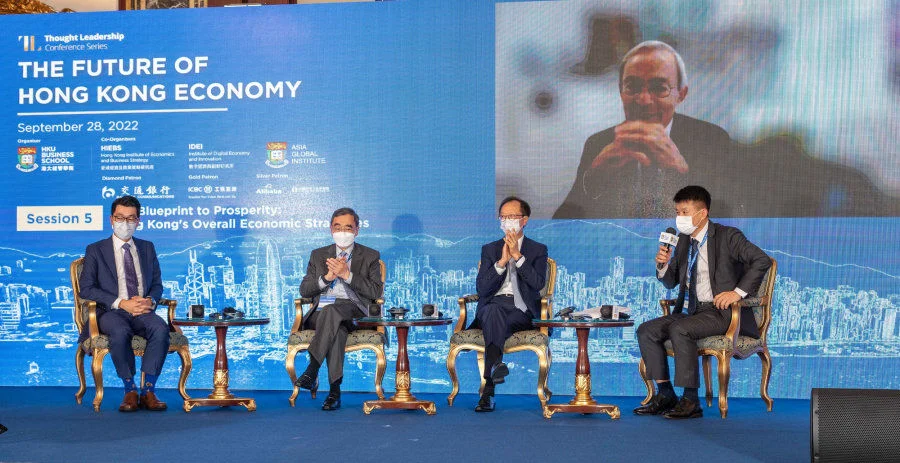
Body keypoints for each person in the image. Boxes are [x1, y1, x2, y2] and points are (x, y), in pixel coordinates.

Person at [553, 41, 736, 219]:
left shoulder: (711, 139)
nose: (644, 100)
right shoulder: (599, 142)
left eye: (659, 88)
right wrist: (594, 177)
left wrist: (681, 172)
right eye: (632, 87)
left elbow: (728, 221)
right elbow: (561, 226)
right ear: (621, 92)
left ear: (681, 94)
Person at [634, 185, 771, 419]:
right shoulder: (684, 241)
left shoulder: (728, 236)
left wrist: (736, 293)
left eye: (685, 212)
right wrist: (662, 264)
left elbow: (761, 260)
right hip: (692, 311)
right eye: (677, 212)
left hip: (720, 312)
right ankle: (665, 393)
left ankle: (690, 400)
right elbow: (670, 283)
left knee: (680, 329)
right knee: (646, 330)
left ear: (702, 212)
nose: (680, 218)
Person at [78, 195, 169, 412]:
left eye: (130, 219)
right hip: (110, 311)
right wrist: (121, 303)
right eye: (120, 218)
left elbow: (157, 284)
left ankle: (148, 391)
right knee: (119, 331)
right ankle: (129, 389)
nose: (125, 223)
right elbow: (87, 288)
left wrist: (150, 300)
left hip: (141, 310)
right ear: (111, 219)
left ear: (138, 221)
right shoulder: (96, 249)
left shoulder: (147, 247)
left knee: (160, 328)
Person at [294, 207, 384, 411]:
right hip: (322, 312)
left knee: (333, 314)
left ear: (357, 230)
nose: (342, 231)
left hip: (355, 310)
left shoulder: (369, 255)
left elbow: (376, 292)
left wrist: (347, 275)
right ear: (331, 229)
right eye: (338, 227)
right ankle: (334, 392)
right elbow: (305, 290)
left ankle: (312, 370)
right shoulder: (318, 255)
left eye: (348, 227)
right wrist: (327, 278)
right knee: (334, 324)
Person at [471, 196, 548, 412]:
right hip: (492, 307)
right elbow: (482, 290)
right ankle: (491, 380)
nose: (507, 221)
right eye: (503, 217)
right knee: (494, 310)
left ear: (524, 220)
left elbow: (538, 284)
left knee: (495, 316)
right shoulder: (490, 249)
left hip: (520, 311)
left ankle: (489, 389)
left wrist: (517, 256)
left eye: (512, 216)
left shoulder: (537, 249)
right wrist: (502, 262)